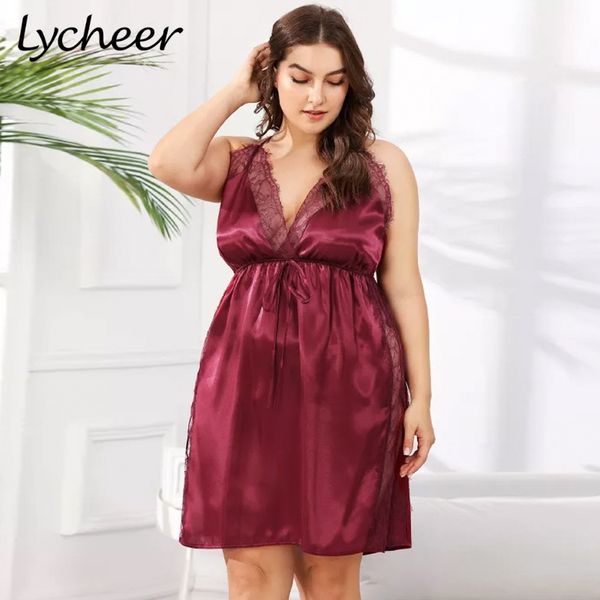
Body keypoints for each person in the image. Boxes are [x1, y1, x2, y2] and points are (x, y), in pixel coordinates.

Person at [149, 4, 434, 599]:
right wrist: (235, 91)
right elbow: (167, 162)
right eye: (300, 77)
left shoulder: (382, 164)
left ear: (351, 84)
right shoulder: (237, 160)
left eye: (334, 80)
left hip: (349, 387)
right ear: (272, 76)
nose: (316, 96)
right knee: (250, 573)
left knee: (331, 575)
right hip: (245, 383)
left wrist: (422, 399)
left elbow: (403, 285)